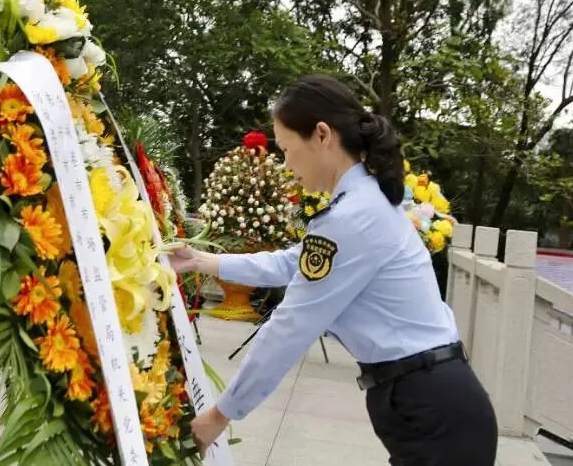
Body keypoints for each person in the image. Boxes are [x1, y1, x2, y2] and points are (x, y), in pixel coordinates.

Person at [169, 75, 497, 465]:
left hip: (434, 412)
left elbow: (291, 326)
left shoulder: (353, 215)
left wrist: (219, 415)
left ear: (322, 135)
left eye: (287, 148)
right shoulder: (361, 204)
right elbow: (295, 262)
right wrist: (205, 262)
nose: (287, 165)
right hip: (430, 402)